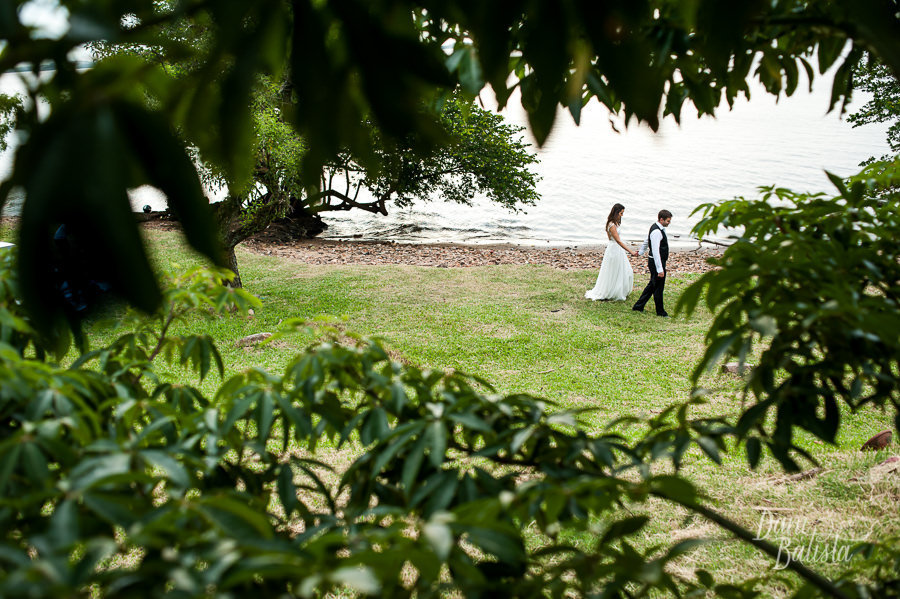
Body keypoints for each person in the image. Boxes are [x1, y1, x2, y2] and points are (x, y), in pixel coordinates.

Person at [585, 203, 639, 301]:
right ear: (616, 213)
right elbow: (617, 240)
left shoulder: (616, 223)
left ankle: (618, 290)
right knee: (614, 271)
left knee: (624, 271)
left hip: (617, 249)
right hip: (614, 249)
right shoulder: (611, 225)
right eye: (621, 213)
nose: (622, 215)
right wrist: (630, 251)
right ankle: (611, 291)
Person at [632, 209, 673, 317]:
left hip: (656, 261)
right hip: (656, 262)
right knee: (658, 287)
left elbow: (646, 240)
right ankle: (660, 312)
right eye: (668, 221)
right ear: (661, 219)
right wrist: (660, 269)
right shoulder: (656, 232)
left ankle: (638, 306)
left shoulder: (657, 228)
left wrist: (641, 252)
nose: (669, 223)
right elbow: (655, 251)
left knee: (652, 285)